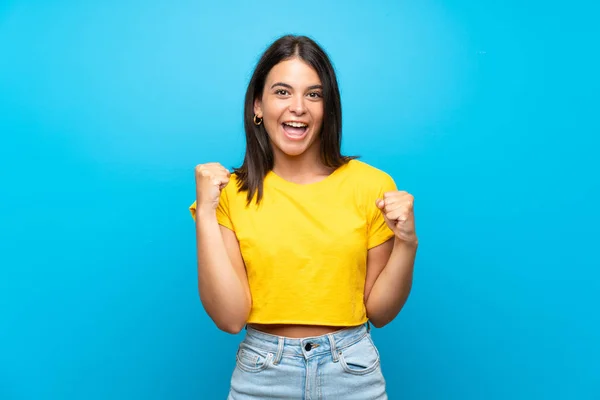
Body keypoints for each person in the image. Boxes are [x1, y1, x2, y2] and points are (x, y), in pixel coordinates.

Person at [189, 34, 418, 399]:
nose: (298, 106)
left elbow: (380, 312)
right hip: (262, 375)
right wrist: (205, 213)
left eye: (314, 94)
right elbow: (230, 318)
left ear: (328, 107)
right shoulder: (228, 192)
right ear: (257, 106)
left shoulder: (372, 185)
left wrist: (407, 242)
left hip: (352, 371)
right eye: (282, 92)